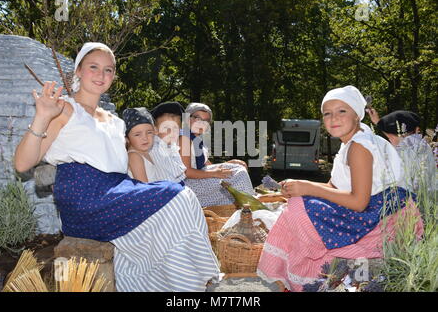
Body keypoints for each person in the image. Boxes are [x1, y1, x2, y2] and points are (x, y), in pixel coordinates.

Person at [13, 42, 219, 292]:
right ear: (78, 71)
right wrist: (43, 116)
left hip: (117, 190)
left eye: (108, 70)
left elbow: (127, 162)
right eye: (93, 67)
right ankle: (188, 284)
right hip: (85, 199)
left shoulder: (115, 121)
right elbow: (23, 163)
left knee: (184, 197)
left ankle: (184, 282)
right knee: (177, 197)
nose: (101, 75)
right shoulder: (64, 108)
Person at [256, 85, 423, 292]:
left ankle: (310, 273)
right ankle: (309, 273)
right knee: (300, 200)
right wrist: (299, 185)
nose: (333, 118)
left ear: (357, 115)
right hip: (375, 207)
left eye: (341, 111)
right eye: (327, 113)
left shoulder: (360, 146)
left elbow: (359, 203)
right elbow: (333, 187)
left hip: (385, 213)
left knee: (299, 208)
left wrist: (308, 188)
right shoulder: (352, 142)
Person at [178, 102, 256, 207]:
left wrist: (227, 163)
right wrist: (214, 173)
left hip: (198, 180)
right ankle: (250, 206)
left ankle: (244, 203)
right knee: (239, 173)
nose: (202, 124)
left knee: (238, 167)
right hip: (188, 185)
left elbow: (206, 165)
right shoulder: (184, 138)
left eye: (206, 121)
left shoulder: (198, 139)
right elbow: (187, 172)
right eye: (198, 118)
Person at [367, 108, 436, 192]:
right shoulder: (423, 145)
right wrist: (378, 122)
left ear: (397, 135)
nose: (389, 140)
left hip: (411, 201)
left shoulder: (401, 153)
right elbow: (396, 135)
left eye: (389, 137)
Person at [123, 107, 158, 182]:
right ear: (127, 138)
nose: (145, 138)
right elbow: (143, 186)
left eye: (149, 132)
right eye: (137, 134)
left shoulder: (145, 152)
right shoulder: (134, 156)